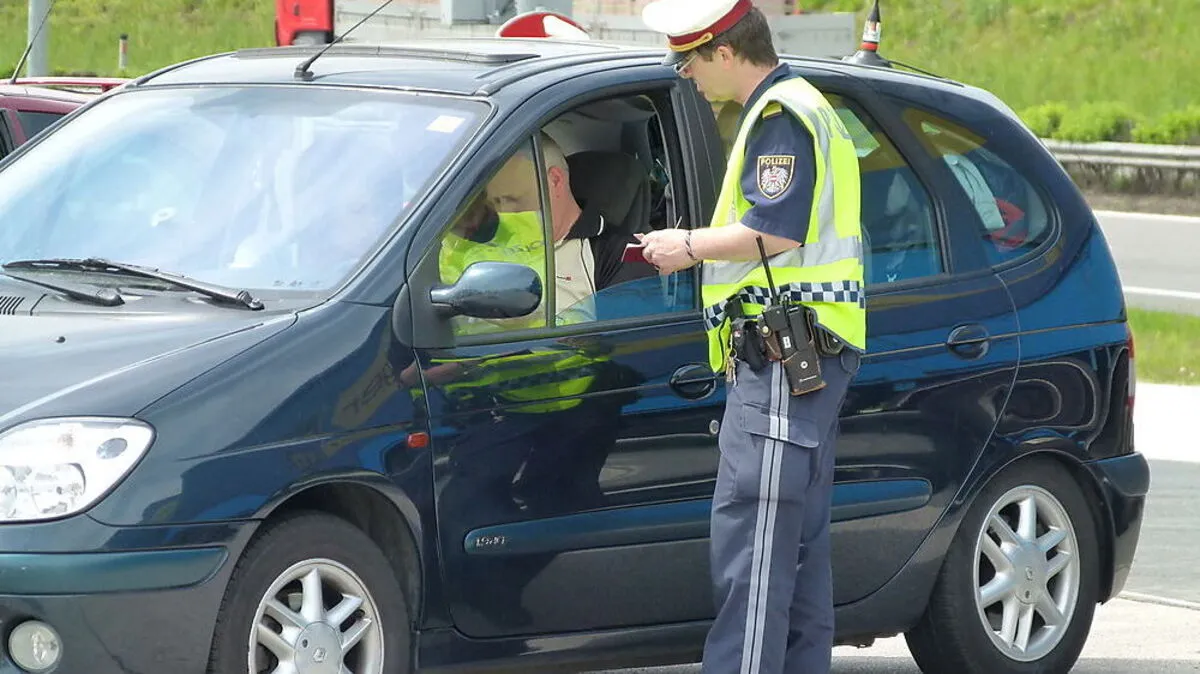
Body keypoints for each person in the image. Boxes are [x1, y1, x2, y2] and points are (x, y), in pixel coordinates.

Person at [637, 1, 868, 674]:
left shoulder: (779, 117)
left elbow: (776, 228)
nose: (685, 75)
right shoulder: (806, 106)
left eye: (689, 61)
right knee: (796, 552)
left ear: (726, 52)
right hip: (807, 356)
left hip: (783, 358)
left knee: (756, 548)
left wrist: (685, 246)